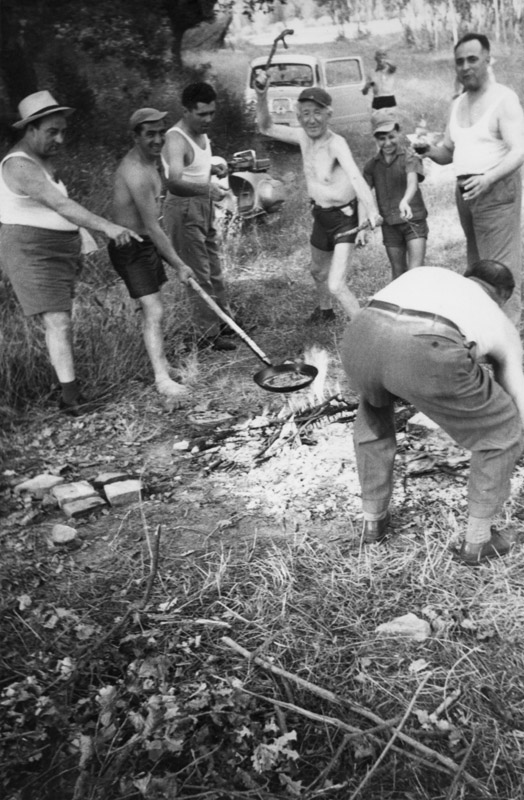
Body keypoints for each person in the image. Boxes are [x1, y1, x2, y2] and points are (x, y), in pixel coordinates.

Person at [341, 261, 524, 566]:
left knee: (373, 414)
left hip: (361, 334)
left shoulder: (428, 274)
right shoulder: (498, 317)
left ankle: (373, 521)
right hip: (428, 343)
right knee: (501, 430)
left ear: (467, 276)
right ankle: (479, 540)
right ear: (502, 297)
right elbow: (515, 391)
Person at [0, 90, 141, 416]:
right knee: (58, 321)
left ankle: (65, 386)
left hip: (58, 249)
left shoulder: (44, 159)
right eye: (52, 131)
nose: (60, 139)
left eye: (63, 130)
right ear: (30, 129)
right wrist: (107, 227)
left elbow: (60, 206)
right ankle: (70, 399)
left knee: (61, 319)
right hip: (30, 249)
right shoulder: (20, 165)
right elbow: (60, 203)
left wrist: (81, 231)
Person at [255, 79, 381, 323]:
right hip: (321, 217)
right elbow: (266, 127)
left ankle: (365, 330)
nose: (312, 120)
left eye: (318, 113)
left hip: (346, 221)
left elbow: (356, 178)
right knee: (317, 271)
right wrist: (262, 97)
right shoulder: (302, 137)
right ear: (299, 116)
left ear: (328, 114)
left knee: (336, 284)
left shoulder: (337, 144)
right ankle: (325, 312)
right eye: (305, 114)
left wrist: (372, 211)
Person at [424, 33, 524, 326]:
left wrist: (489, 178)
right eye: (459, 62)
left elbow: (520, 149)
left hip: (496, 190)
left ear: (488, 60)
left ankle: (509, 345)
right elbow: (448, 152)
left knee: (501, 273)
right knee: (478, 267)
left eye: (472, 59)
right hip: (466, 192)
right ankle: (487, 333)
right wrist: (428, 150)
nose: (465, 67)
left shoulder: (503, 99)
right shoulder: (457, 104)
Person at [108, 108, 195, 406]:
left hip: (146, 243)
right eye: (150, 134)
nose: (158, 139)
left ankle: (162, 365)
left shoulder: (153, 162)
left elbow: (157, 219)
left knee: (154, 309)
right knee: (154, 310)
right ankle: (161, 378)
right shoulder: (134, 171)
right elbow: (153, 227)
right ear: (135, 137)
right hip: (129, 246)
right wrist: (180, 264)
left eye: (161, 132)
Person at [161, 82, 236, 352]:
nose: (208, 120)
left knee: (214, 266)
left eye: (211, 113)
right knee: (198, 272)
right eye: (202, 114)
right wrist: (206, 187)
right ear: (186, 110)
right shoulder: (176, 138)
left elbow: (195, 167)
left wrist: (213, 168)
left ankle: (225, 322)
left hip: (202, 205)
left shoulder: (202, 135)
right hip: (182, 208)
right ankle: (207, 335)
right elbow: (174, 181)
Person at [363, 109, 428, 279]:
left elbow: (412, 181)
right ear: (375, 139)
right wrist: (362, 223)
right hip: (390, 225)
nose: (387, 143)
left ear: (398, 133)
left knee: (415, 272)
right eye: (381, 139)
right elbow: (363, 194)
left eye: (391, 137)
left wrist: (405, 200)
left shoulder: (409, 157)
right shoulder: (372, 165)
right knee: (398, 273)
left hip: (413, 221)